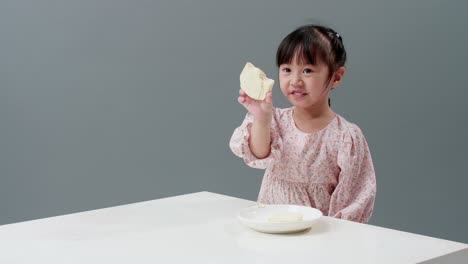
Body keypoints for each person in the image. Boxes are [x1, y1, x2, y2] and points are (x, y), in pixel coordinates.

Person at [229, 24, 376, 223]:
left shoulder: (346, 136)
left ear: (336, 76)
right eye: (287, 69)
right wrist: (262, 118)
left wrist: (335, 234)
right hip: (274, 226)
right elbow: (259, 154)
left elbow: (355, 197)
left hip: (320, 235)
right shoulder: (275, 120)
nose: (295, 81)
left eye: (307, 70)